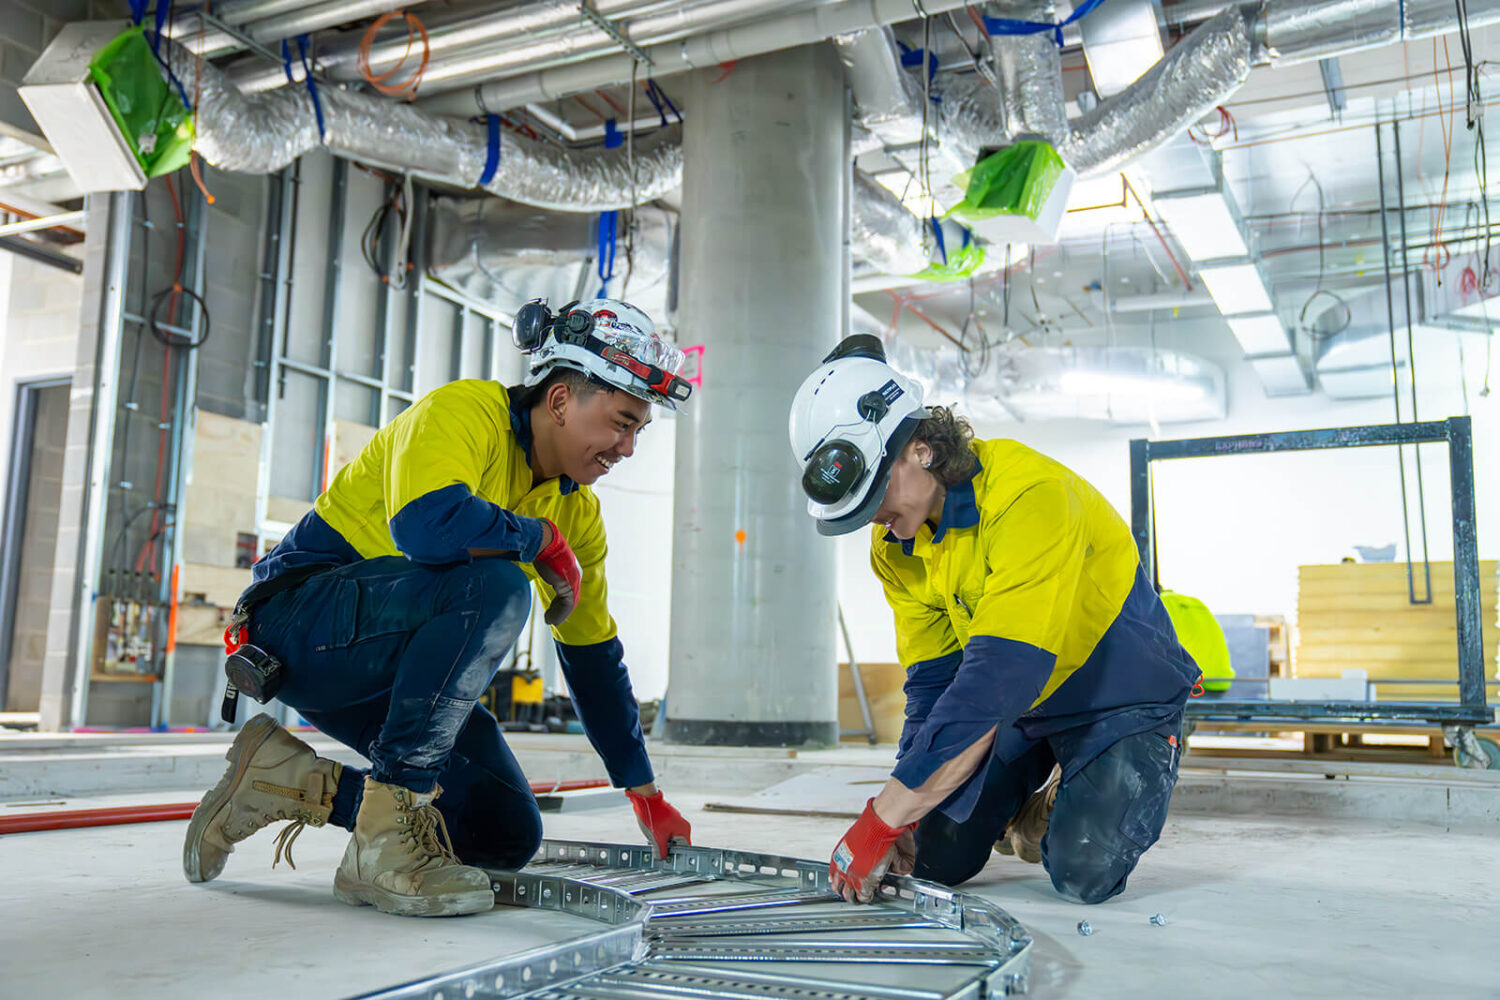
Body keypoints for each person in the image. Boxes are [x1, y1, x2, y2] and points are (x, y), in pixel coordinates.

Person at [183, 298, 694, 917]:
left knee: (500, 833)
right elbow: (428, 527)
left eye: (639, 428)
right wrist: (537, 540)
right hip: (295, 623)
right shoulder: (465, 412)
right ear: (560, 400)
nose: (628, 447)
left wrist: (643, 793)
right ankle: (381, 855)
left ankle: (280, 779)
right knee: (497, 584)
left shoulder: (577, 512)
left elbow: (592, 660)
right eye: (621, 422)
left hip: (389, 668)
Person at [787, 335, 1201, 905]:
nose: (872, 519)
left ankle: (1079, 791)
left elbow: (996, 675)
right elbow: (933, 685)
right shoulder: (896, 547)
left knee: (1082, 871)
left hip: (1119, 699)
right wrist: (901, 815)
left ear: (921, 448)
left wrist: (879, 818)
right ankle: (1034, 787)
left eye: (874, 495)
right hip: (1022, 706)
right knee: (932, 858)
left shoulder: (1030, 496)